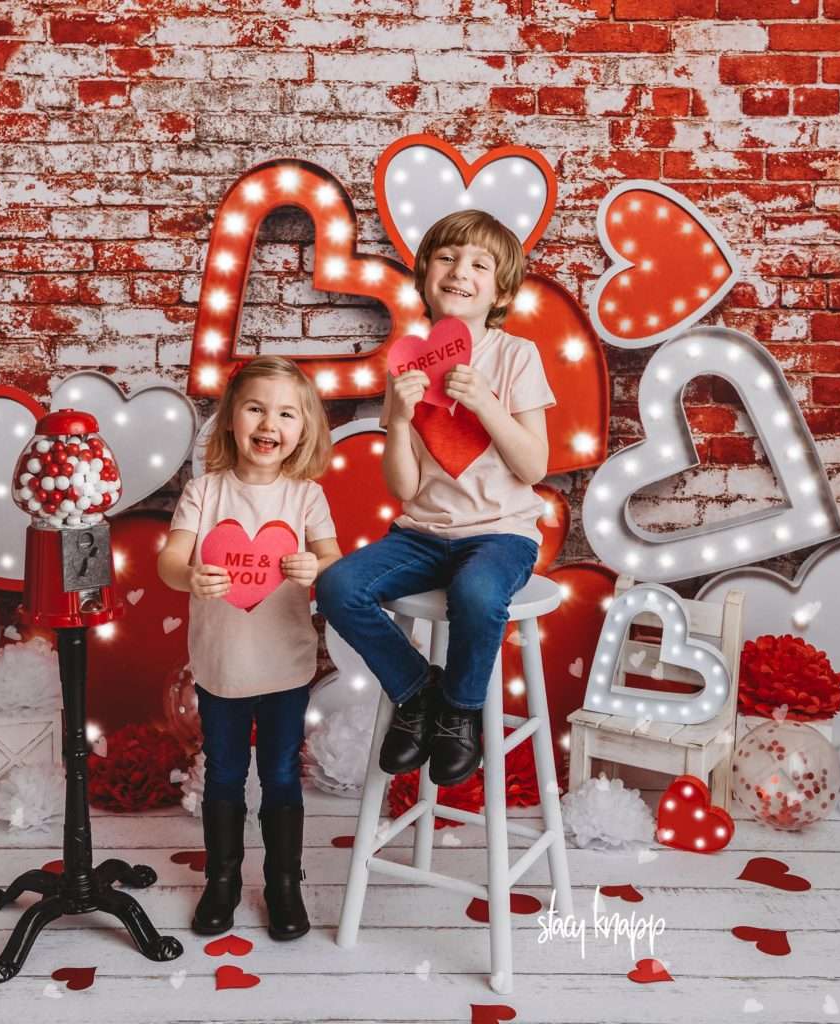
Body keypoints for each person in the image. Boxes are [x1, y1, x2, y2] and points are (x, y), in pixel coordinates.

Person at [317, 209, 555, 788]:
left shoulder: (515, 355)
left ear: (500, 289)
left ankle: (460, 713)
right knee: (338, 586)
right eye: (447, 258)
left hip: (502, 533)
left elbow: (534, 466)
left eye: (479, 263)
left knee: (476, 593)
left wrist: (486, 405)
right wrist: (397, 417)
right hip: (421, 534)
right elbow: (402, 488)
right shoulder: (410, 359)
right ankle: (417, 690)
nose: (460, 272)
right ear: (425, 274)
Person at [158, 355, 341, 941]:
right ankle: (223, 880)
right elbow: (169, 560)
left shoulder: (306, 497)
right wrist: (190, 576)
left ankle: (284, 882)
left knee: (283, 776)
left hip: (285, 664)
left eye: (286, 413)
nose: (270, 422)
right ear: (232, 420)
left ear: (304, 428)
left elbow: (334, 561)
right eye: (257, 408)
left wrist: (316, 565)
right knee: (224, 775)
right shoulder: (205, 491)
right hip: (222, 666)